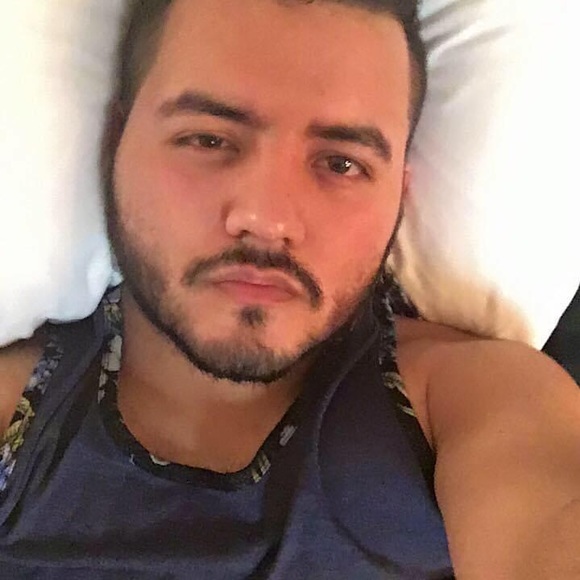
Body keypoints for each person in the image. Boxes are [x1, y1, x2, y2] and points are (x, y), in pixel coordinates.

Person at [1, 0, 579, 578]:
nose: (267, 219)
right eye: (208, 140)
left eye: (342, 163)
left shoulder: (472, 402)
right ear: (114, 144)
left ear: (398, 199)